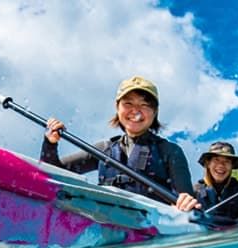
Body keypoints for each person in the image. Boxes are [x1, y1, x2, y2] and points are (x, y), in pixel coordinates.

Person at [40, 76, 200, 212]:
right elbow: (52, 173)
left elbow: (185, 202)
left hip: (152, 231)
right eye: (128, 103)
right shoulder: (103, 150)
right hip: (107, 229)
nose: (136, 111)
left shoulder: (170, 151)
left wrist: (186, 203)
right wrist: (50, 143)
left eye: (144, 105)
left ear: (155, 111)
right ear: (117, 108)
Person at [194, 142, 238, 223]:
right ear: (208, 163)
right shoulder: (195, 191)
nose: (221, 165)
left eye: (227, 161)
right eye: (216, 159)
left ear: (232, 166)